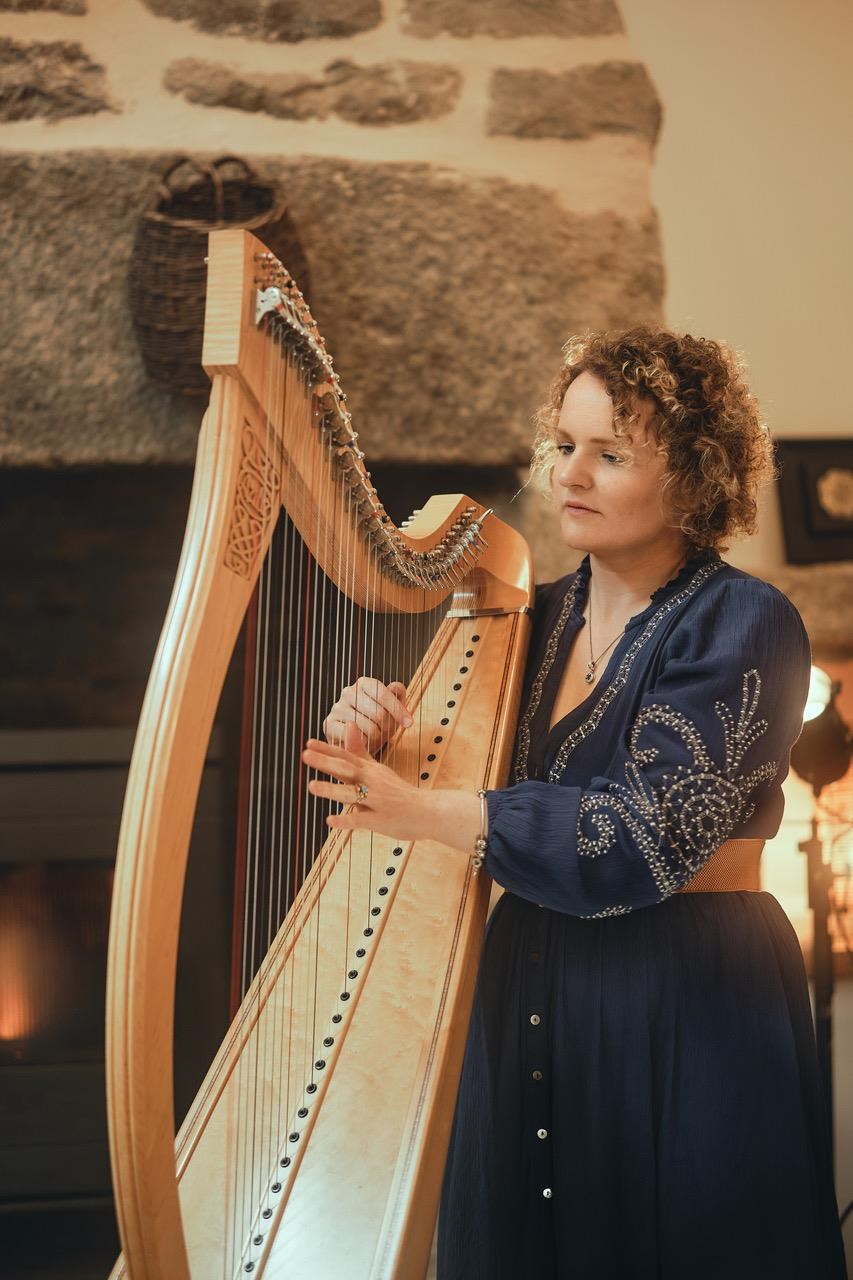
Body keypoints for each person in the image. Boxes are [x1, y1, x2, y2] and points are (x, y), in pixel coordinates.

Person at [304, 327, 848, 1279]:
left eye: (610, 453)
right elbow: (463, 796)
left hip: (687, 993)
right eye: (564, 445)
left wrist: (429, 808)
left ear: (694, 476)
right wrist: (381, 738)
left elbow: (638, 841)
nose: (571, 474)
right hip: (534, 979)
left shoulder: (746, 623)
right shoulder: (527, 620)